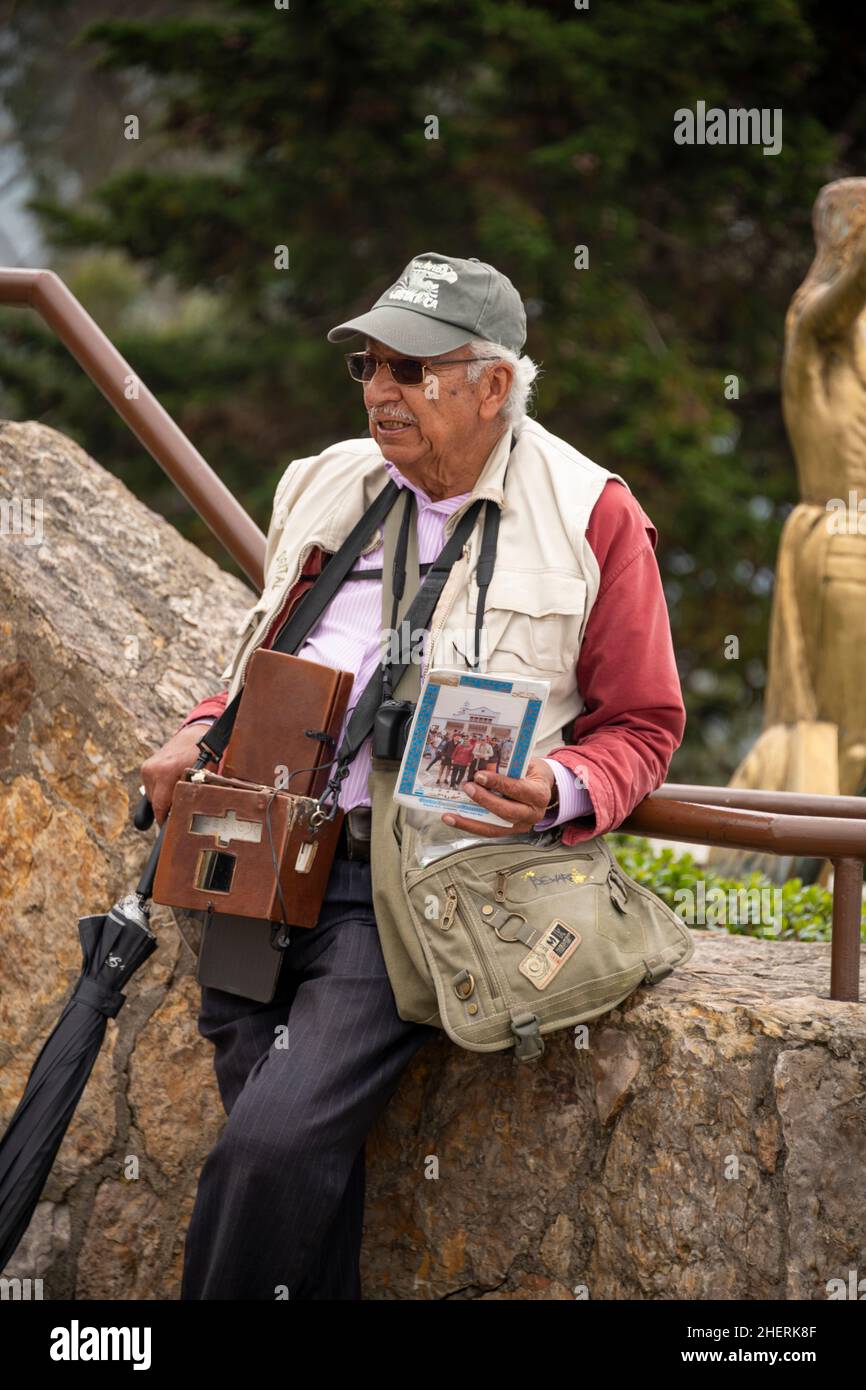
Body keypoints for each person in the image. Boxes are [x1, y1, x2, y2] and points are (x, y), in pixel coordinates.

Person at [140, 250, 686, 1301]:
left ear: (493, 383)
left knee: (268, 1148)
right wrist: (198, 729)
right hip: (253, 871)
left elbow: (643, 723)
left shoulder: (590, 513)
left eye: (412, 368)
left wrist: (558, 785)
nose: (382, 391)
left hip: (408, 896)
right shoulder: (320, 484)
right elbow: (258, 669)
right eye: (370, 367)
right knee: (299, 1176)